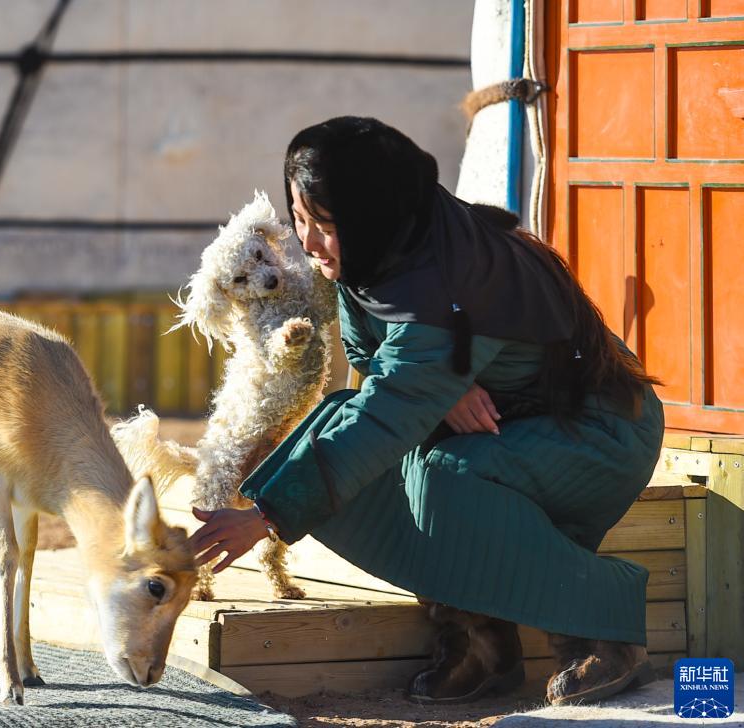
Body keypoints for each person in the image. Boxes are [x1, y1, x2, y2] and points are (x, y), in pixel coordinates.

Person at [189, 116, 664, 706]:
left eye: (324, 226)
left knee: (438, 474)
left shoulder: (451, 274)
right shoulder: (382, 252)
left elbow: (388, 412)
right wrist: (451, 385)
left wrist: (265, 515)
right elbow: (366, 351)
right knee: (337, 420)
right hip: (505, 427)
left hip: (598, 431)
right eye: (300, 220)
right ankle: (478, 639)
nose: (307, 245)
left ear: (368, 214)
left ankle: (601, 631)